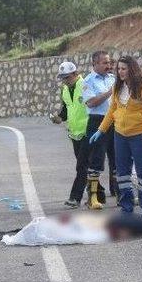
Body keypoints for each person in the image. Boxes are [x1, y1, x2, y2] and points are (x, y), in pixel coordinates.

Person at [90, 55, 142, 215]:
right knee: (122, 173)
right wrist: (101, 130)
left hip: (140, 135)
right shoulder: (117, 87)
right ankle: (126, 207)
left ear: (132, 69)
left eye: (124, 68)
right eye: (119, 69)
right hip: (120, 136)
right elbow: (112, 110)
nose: (120, 72)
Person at [52, 61, 90, 208]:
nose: (65, 81)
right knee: (86, 166)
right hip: (74, 133)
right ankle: (97, 193)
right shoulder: (65, 90)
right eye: (63, 78)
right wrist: (59, 118)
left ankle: (75, 197)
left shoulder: (86, 85)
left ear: (75, 74)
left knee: (81, 166)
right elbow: (66, 111)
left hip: (88, 131)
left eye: (67, 77)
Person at [83, 51, 118, 208]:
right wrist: (110, 92)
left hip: (115, 121)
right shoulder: (88, 81)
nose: (108, 66)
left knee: (118, 159)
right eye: (104, 63)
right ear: (94, 64)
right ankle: (93, 197)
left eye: (109, 62)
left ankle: (121, 194)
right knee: (96, 160)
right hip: (97, 121)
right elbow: (91, 103)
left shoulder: (113, 79)